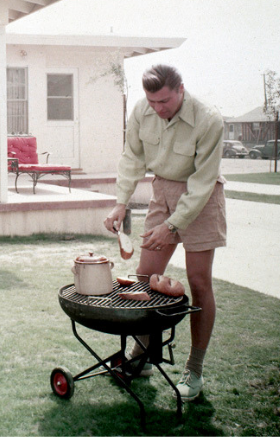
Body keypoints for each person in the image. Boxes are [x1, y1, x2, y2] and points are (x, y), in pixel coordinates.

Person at [103, 64, 226, 402]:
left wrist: (173, 225)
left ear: (181, 90)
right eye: (153, 101)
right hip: (163, 191)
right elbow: (132, 157)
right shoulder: (142, 110)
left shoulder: (209, 119)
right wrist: (120, 203)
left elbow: (202, 183)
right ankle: (141, 357)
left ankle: (194, 370)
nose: (158, 108)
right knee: (145, 277)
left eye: (166, 101)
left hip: (202, 197)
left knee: (199, 282)